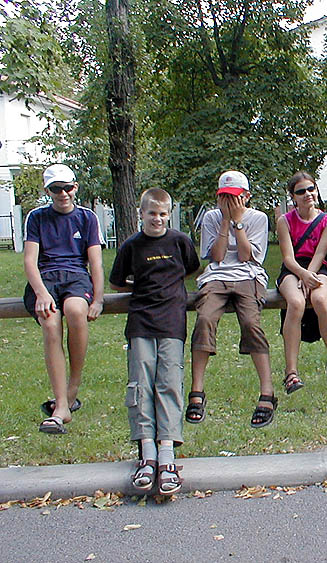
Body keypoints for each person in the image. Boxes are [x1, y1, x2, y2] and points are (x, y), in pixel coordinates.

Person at [109, 188, 200, 494]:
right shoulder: (131, 246)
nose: (157, 219)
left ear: (169, 214)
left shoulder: (179, 242)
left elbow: (191, 268)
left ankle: (167, 455)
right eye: (152, 213)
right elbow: (116, 281)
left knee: (169, 383)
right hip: (141, 323)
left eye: (163, 214)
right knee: (141, 385)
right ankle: (146, 454)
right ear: (141, 214)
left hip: (172, 322)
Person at [187, 171, 275, 427]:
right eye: (223, 197)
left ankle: (267, 391)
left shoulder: (258, 218)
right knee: (204, 319)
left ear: (246, 197)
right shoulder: (211, 218)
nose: (228, 202)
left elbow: (247, 256)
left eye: (234, 197)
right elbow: (216, 256)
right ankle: (197, 390)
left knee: (250, 323)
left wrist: (238, 222)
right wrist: (225, 222)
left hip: (248, 276)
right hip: (217, 276)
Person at [23, 164, 104, 435]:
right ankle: (60, 406)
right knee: (50, 322)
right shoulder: (36, 217)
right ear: (48, 191)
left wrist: (98, 299)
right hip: (45, 277)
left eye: (67, 187)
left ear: (75, 187)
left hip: (76, 276)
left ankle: (72, 389)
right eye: (56, 189)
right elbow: (30, 261)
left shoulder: (87, 218)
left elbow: (95, 262)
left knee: (76, 311)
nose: (63, 194)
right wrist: (41, 293)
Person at [277, 172, 327, 397]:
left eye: (311, 189)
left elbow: (321, 253)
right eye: (301, 191)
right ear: (293, 196)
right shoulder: (284, 221)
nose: (307, 194)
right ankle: (291, 372)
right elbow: (287, 257)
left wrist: (310, 276)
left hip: (317, 268)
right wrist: (302, 275)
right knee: (296, 302)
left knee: (320, 299)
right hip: (293, 269)